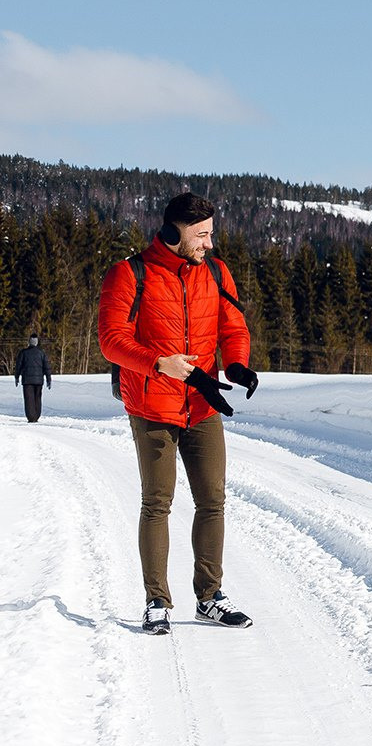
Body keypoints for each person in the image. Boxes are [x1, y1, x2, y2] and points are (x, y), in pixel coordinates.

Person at [97, 192, 260, 635]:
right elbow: (111, 340)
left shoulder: (216, 271)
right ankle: (156, 601)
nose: (209, 242)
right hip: (152, 404)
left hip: (202, 404)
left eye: (211, 233)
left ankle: (209, 597)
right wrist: (158, 363)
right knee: (158, 502)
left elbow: (233, 325)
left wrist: (238, 361)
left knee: (213, 500)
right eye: (202, 234)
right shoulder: (129, 274)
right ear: (173, 232)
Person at [13, 334, 53, 422]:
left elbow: (18, 366)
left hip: (27, 380)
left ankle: (31, 417)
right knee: (37, 398)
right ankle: (37, 416)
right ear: (37, 342)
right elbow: (47, 367)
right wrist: (48, 379)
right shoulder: (41, 353)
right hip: (38, 381)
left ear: (29, 342)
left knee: (29, 399)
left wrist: (16, 377)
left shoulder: (23, 352)